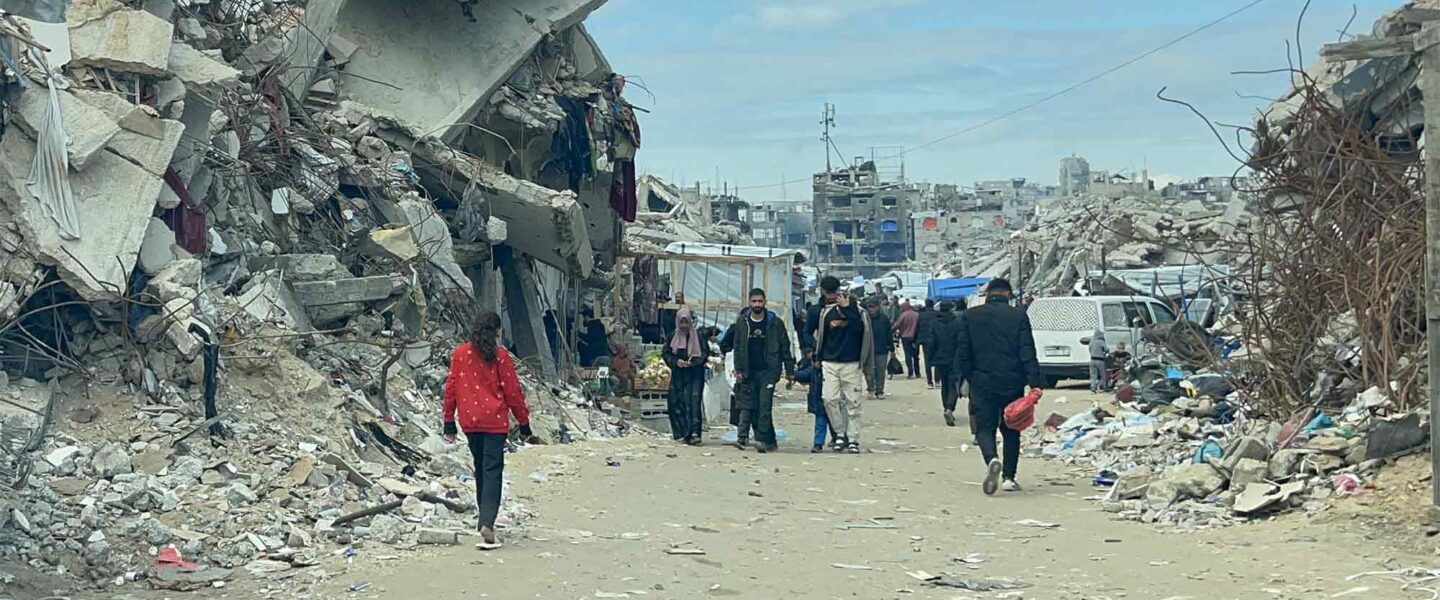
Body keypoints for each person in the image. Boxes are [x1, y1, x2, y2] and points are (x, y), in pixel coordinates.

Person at [442, 311, 537, 549]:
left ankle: (483, 518)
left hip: (470, 421)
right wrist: (524, 423)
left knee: (481, 469)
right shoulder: (500, 356)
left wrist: (448, 421)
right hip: (494, 422)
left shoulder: (460, 354)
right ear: (496, 331)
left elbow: (451, 387)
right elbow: (513, 392)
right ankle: (487, 521)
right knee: (493, 469)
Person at [952, 278, 1042, 495]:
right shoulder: (1018, 315)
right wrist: (1035, 383)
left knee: (984, 427)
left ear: (988, 294)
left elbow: (963, 351)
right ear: (1008, 294)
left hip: (981, 381)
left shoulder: (970, 316)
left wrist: (962, 377)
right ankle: (1009, 477)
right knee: (1012, 426)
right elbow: (1027, 350)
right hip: (1012, 381)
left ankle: (991, 458)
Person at [721, 288, 795, 452]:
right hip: (748, 371)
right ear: (749, 302)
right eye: (754, 301)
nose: (757, 304)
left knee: (765, 407)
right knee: (752, 407)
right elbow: (738, 346)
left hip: (768, 371)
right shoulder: (742, 322)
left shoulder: (774, 323)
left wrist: (790, 371)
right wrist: (739, 369)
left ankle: (762, 440)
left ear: (765, 302)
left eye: (760, 301)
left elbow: (785, 347)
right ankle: (770, 440)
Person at [814, 276, 873, 454]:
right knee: (829, 399)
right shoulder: (826, 312)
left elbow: (860, 330)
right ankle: (839, 433)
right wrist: (818, 357)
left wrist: (848, 310)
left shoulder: (858, 312)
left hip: (852, 363)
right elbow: (822, 336)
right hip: (830, 363)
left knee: (853, 403)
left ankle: (853, 439)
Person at [664, 308, 710, 445]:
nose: (684, 326)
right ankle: (682, 432)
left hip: (695, 374)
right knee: (676, 401)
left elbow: (705, 352)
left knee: (693, 402)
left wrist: (694, 362)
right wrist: (676, 362)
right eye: (681, 323)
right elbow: (666, 353)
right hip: (678, 374)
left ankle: (695, 433)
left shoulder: (698, 336)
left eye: (686, 322)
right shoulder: (672, 336)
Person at [924, 301, 962, 427]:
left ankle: (946, 407)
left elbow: (931, 342)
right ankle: (950, 408)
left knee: (944, 384)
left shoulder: (934, 324)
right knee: (953, 384)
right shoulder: (957, 323)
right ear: (951, 308)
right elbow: (961, 341)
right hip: (955, 359)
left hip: (940, 359)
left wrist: (930, 358)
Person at [864, 297, 895, 398]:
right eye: (869, 307)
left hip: (882, 349)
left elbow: (889, 334)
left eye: (873, 307)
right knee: (869, 371)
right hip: (868, 349)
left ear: (878, 307)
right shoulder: (864, 319)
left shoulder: (884, 319)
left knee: (881, 371)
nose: (871, 309)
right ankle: (870, 389)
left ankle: (880, 390)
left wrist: (892, 348)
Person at [916, 299, 938, 388]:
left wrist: (917, 340)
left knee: (927, 360)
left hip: (925, 340)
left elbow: (917, 328)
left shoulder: (921, 315)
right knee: (937, 359)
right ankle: (937, 380)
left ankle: (929, 382)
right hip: (936, 340)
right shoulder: (937, 314)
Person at [895, 300, 920, 379]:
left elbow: (896, 325)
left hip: (905, 337)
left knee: (908, 355)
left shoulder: (903, 315)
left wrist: (889, 331)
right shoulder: (917, 315)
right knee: (916, 355)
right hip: (916, 337)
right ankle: (917, 372)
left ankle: (910, 373)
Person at [1086, 329, 1109, 394]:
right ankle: (1105, 387)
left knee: (1093, 375)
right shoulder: (1101, 341)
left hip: (1092, 360)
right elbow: (1106, 349)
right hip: (1100, 360)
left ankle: (1093, 388)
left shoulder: (1092, 341)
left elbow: (1090, 349)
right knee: (1103, 374)